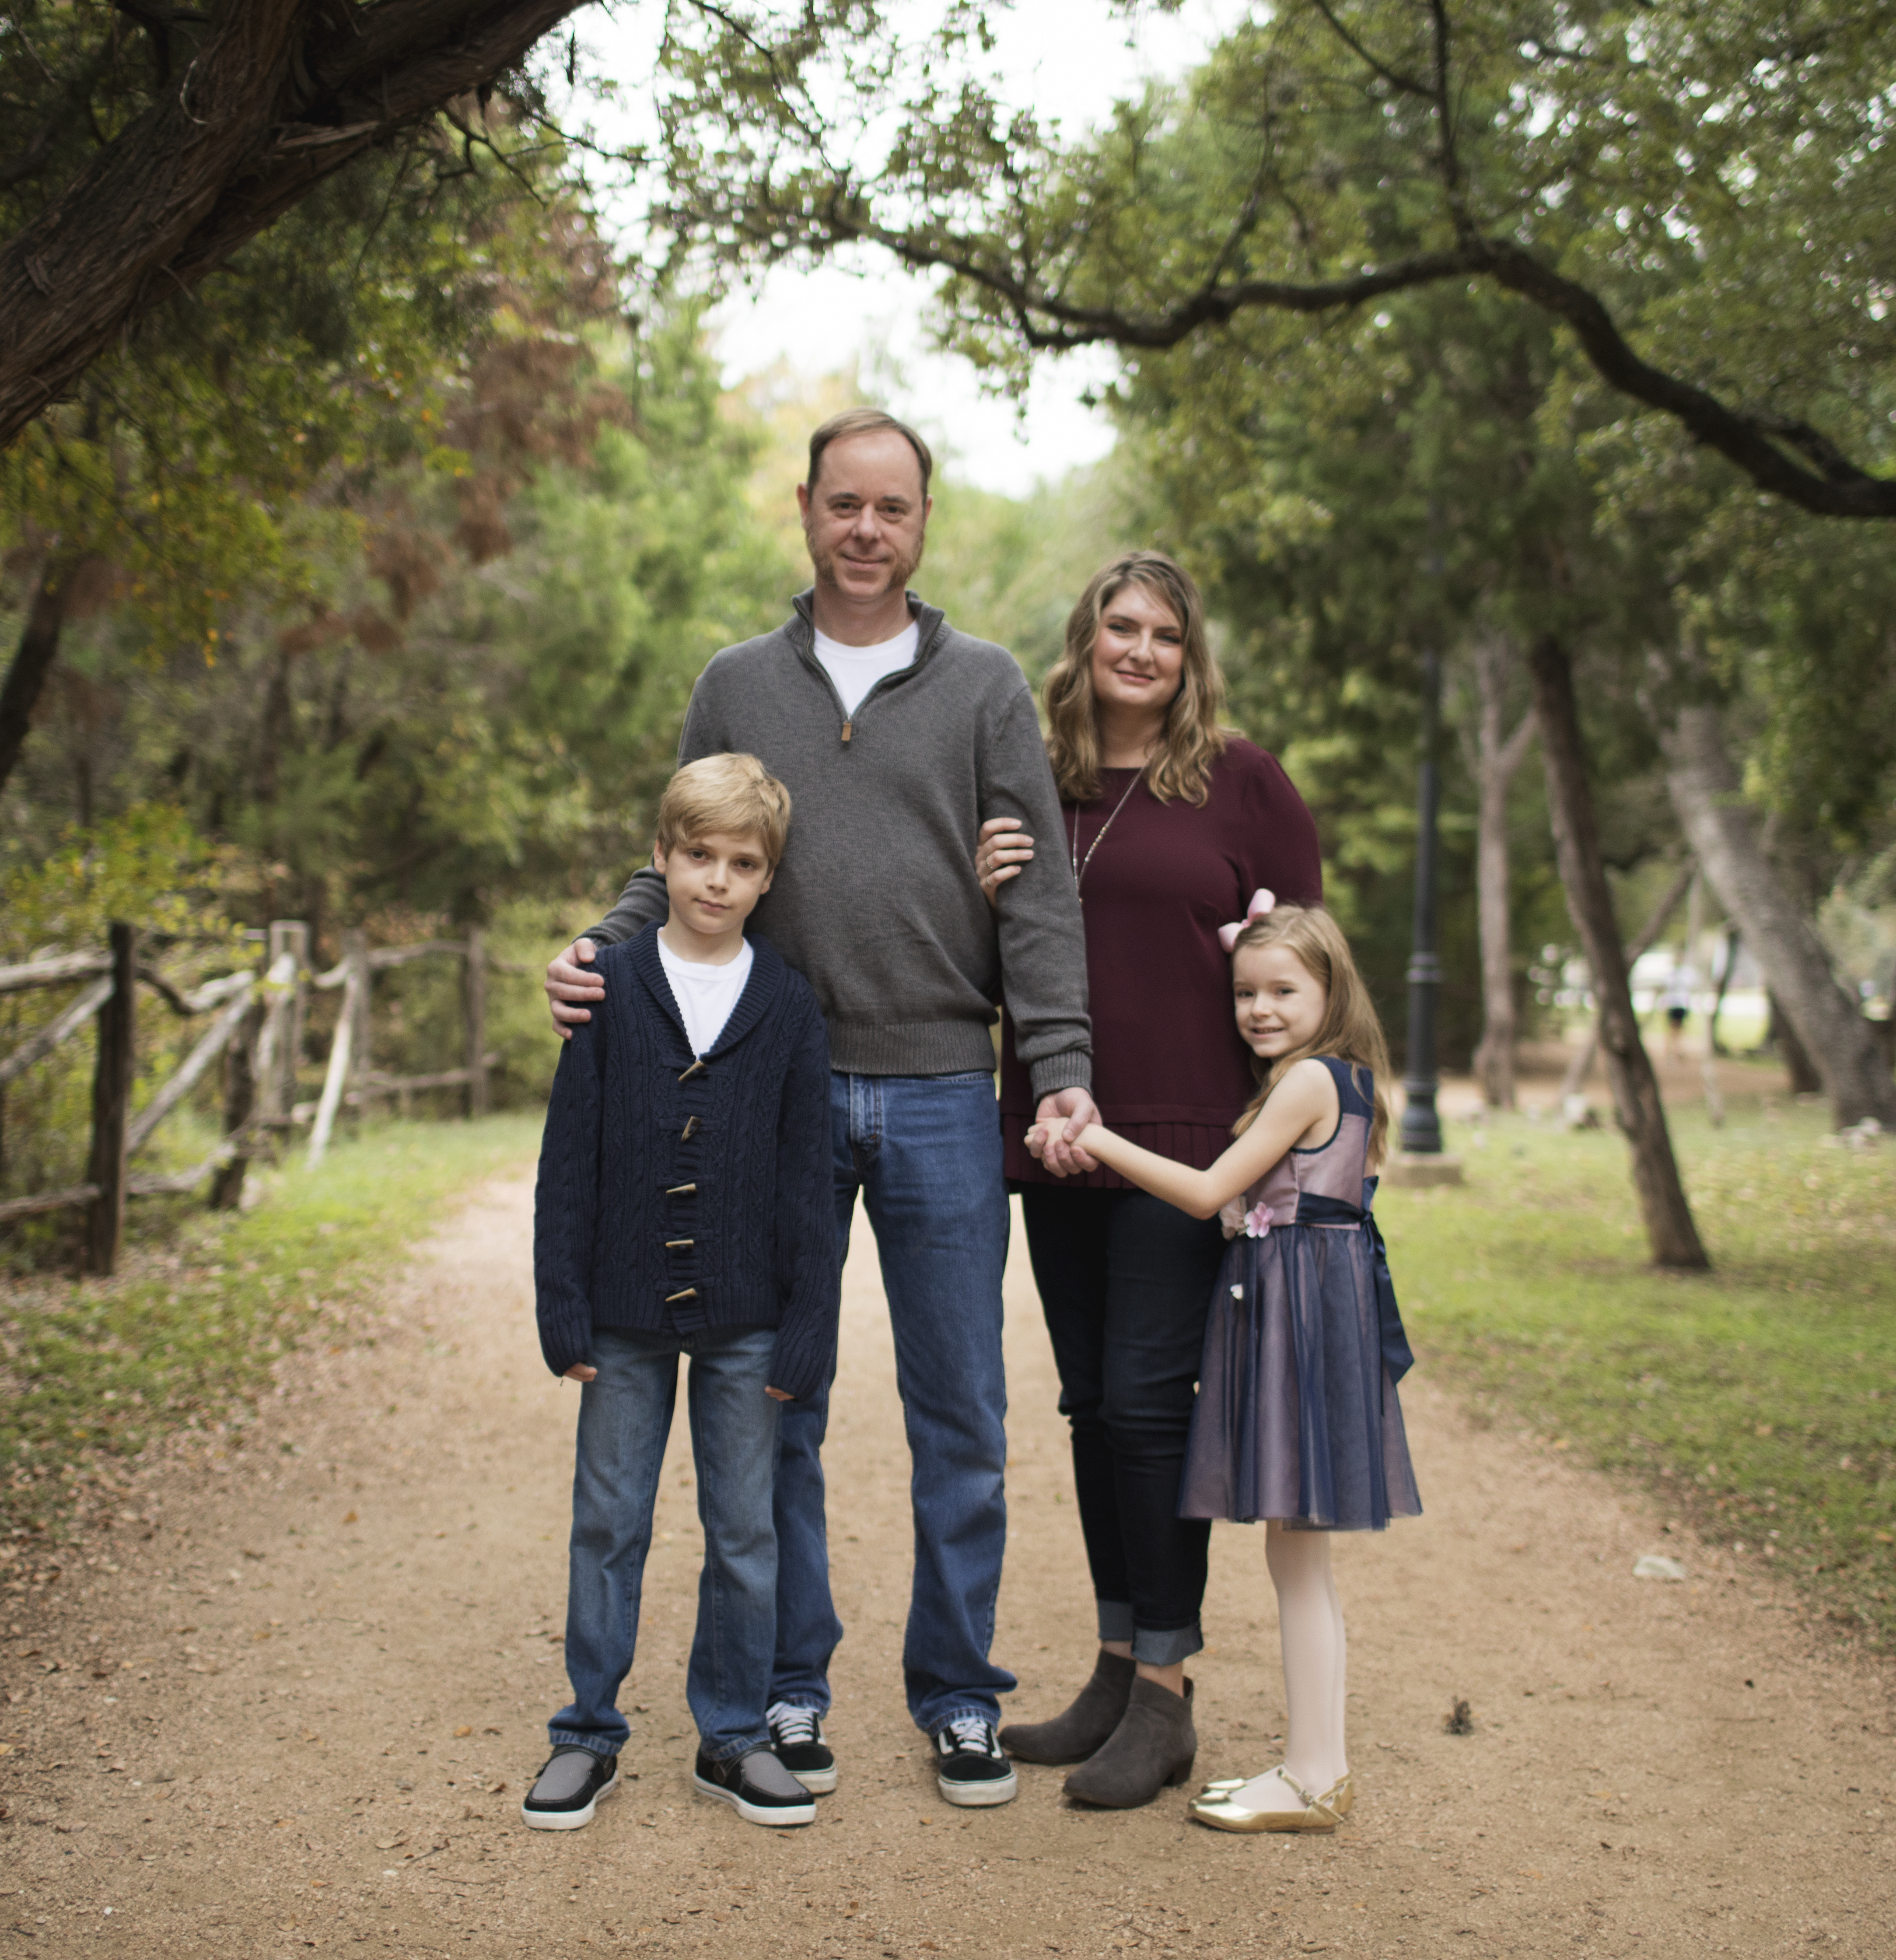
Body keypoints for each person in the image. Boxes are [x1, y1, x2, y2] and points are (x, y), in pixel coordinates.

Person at [544, 409, 1098, 1809]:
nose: (867, 529)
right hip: (766, 1095)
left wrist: (1063, 1062)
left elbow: (1038, 901)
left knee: (960, 1407)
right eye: (843, 504)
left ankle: (960, 1693)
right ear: (805, 510)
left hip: (937, 1089)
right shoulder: (735, 679)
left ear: (925, 521)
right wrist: (601, 950)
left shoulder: (985, 689)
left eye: (892, 507)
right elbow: (673, 845)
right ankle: (788, 1685)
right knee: (777, 1396)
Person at [970, 550, 1321, 1808]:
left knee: (1147, 1399)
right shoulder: (1032, 781)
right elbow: (984, 950)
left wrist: (1294, 1127)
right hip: (1060, 1132)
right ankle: (1118, 1665)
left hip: (1188, 1144)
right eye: (1119, 627)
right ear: (1085, 638)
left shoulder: (1243, 784)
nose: (1139, 650)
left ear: (1189, 656)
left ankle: (1169, 1691)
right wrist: (978, 888)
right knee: (1089, 1405)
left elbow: (1306, 965)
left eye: (1164, 635)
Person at [1025, 903, 1421, 1834]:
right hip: (1315, 1305)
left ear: (1332, 990)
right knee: (1299, 1561)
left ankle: (1318, 1771)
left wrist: (1098, 1137)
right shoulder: (1351, 1080)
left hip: (1301, 1316)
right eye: (1245, 990)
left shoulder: (1307, 1082)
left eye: (1285, 989)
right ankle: (1314, 1764)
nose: (1260, 1008)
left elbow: (1210, 1192)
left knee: (1299, 1559)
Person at [521, 754, 840, 1832]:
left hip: (750, 1317)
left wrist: (809, 1331)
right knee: (608, 1519)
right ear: (660, 859)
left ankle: (734, 1733)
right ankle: (587, 1732)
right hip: (620, 1312)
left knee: (744, 1529)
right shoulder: (610, 991)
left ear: (766, 878)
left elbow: (809, 1182)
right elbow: (567, 1161)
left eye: (741, 863)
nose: (716, 878)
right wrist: (560, 1304)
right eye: (697, 855)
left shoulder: (789, 1005)